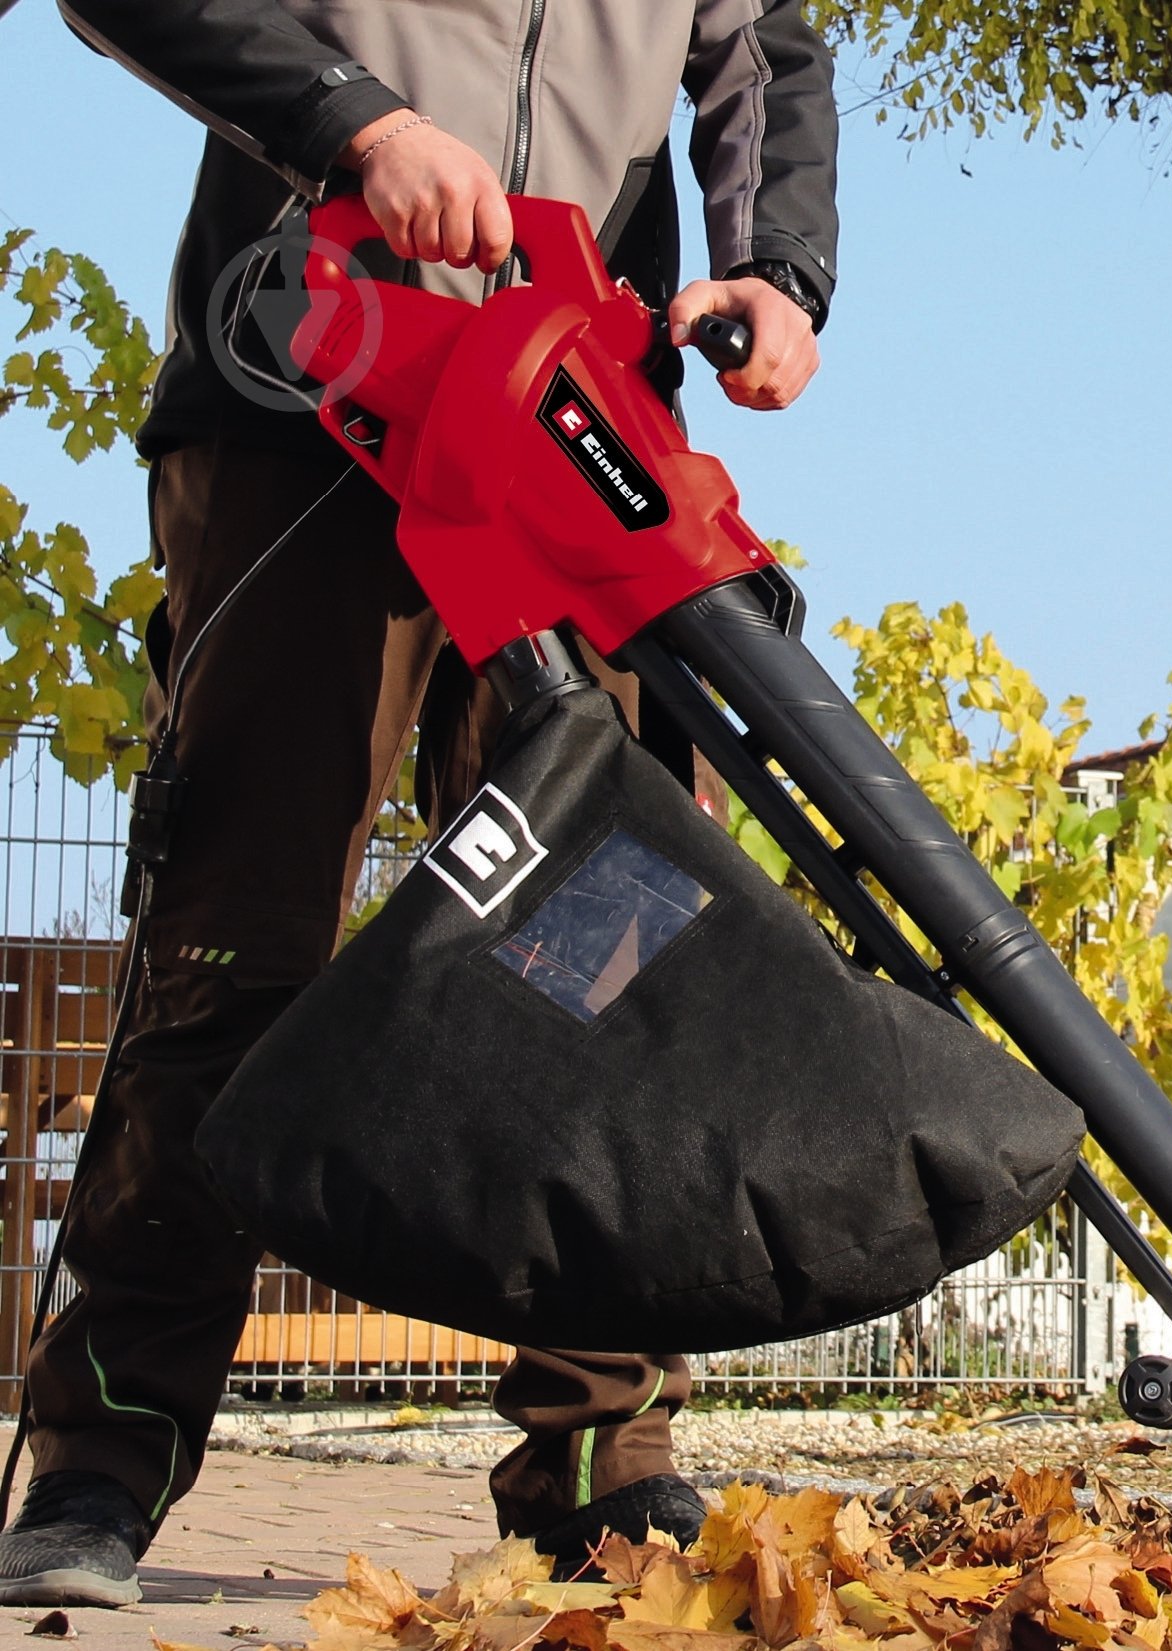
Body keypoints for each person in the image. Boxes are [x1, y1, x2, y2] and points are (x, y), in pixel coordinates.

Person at [0, 0, 838, 1610]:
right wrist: (358, 126)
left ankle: (603, 1459)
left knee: (616, 953)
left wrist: (775, 268)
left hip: (579, 415)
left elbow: (767, 52)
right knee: (237, 942)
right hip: (314, 388)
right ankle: (104, 1455)